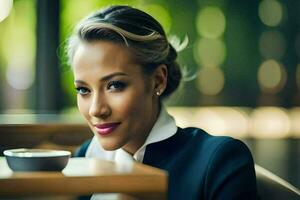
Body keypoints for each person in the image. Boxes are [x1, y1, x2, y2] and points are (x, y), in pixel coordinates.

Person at [67, 5, 258, 200]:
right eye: (83, 90)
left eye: (115, 85)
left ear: (158, 80)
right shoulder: (84, 157)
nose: (96, 109)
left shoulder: (220, 161)